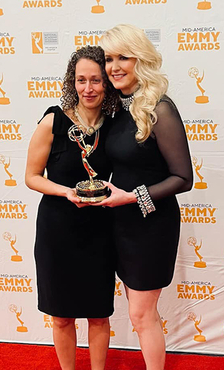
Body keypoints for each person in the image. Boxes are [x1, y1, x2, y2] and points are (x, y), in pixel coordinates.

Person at [97, 24, 193, 370]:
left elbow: (184, 177)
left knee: (141, 314)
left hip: (152, 227)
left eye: (124, 56)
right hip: (120, 224)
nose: (114, 66)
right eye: (109, 58)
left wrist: (133, 198)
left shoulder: (160, 109)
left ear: (142, 59)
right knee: (138, 311)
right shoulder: (119, 109)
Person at [25, 46, 119, 370]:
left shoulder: (116, 126)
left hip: (100, 233)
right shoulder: (53, 120)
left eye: (95, 80)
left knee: (98, 314)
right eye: (81, 80)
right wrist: (66, 192)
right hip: (57, 233)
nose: (88, 88)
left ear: (107, 83)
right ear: (72, 82)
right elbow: (31, 177)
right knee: (62, 317)